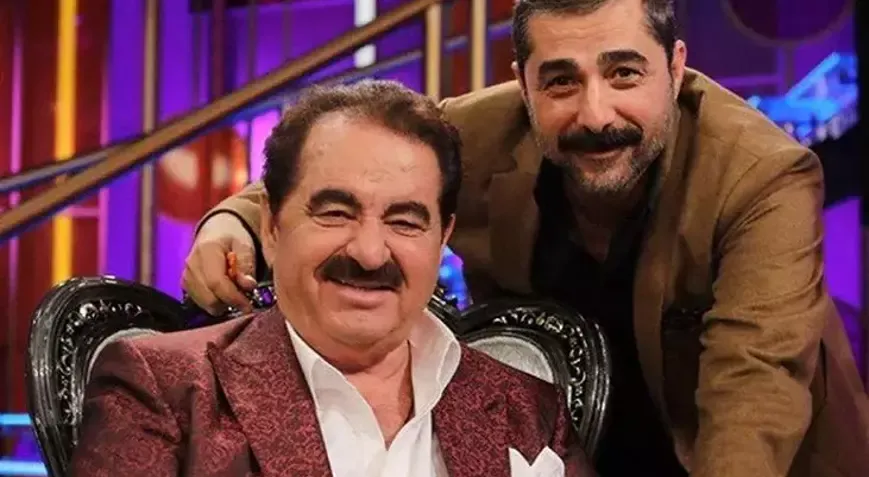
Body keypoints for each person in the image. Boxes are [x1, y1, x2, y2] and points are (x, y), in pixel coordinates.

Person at [184, 1, 869, 476]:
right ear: (522, 84)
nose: (594, 113)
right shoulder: (483, 131)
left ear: (676, 65)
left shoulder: (764, 175)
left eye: (624, 73)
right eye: (560, 81)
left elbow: (754, 389)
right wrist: (231, 221)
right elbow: (344, 165)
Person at [71, 81, 592, 477]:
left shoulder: (529, 409)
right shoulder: (164, 388)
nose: (369, 252)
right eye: (336, 213)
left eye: (405, 221)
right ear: (271, 227)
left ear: (442, 239)